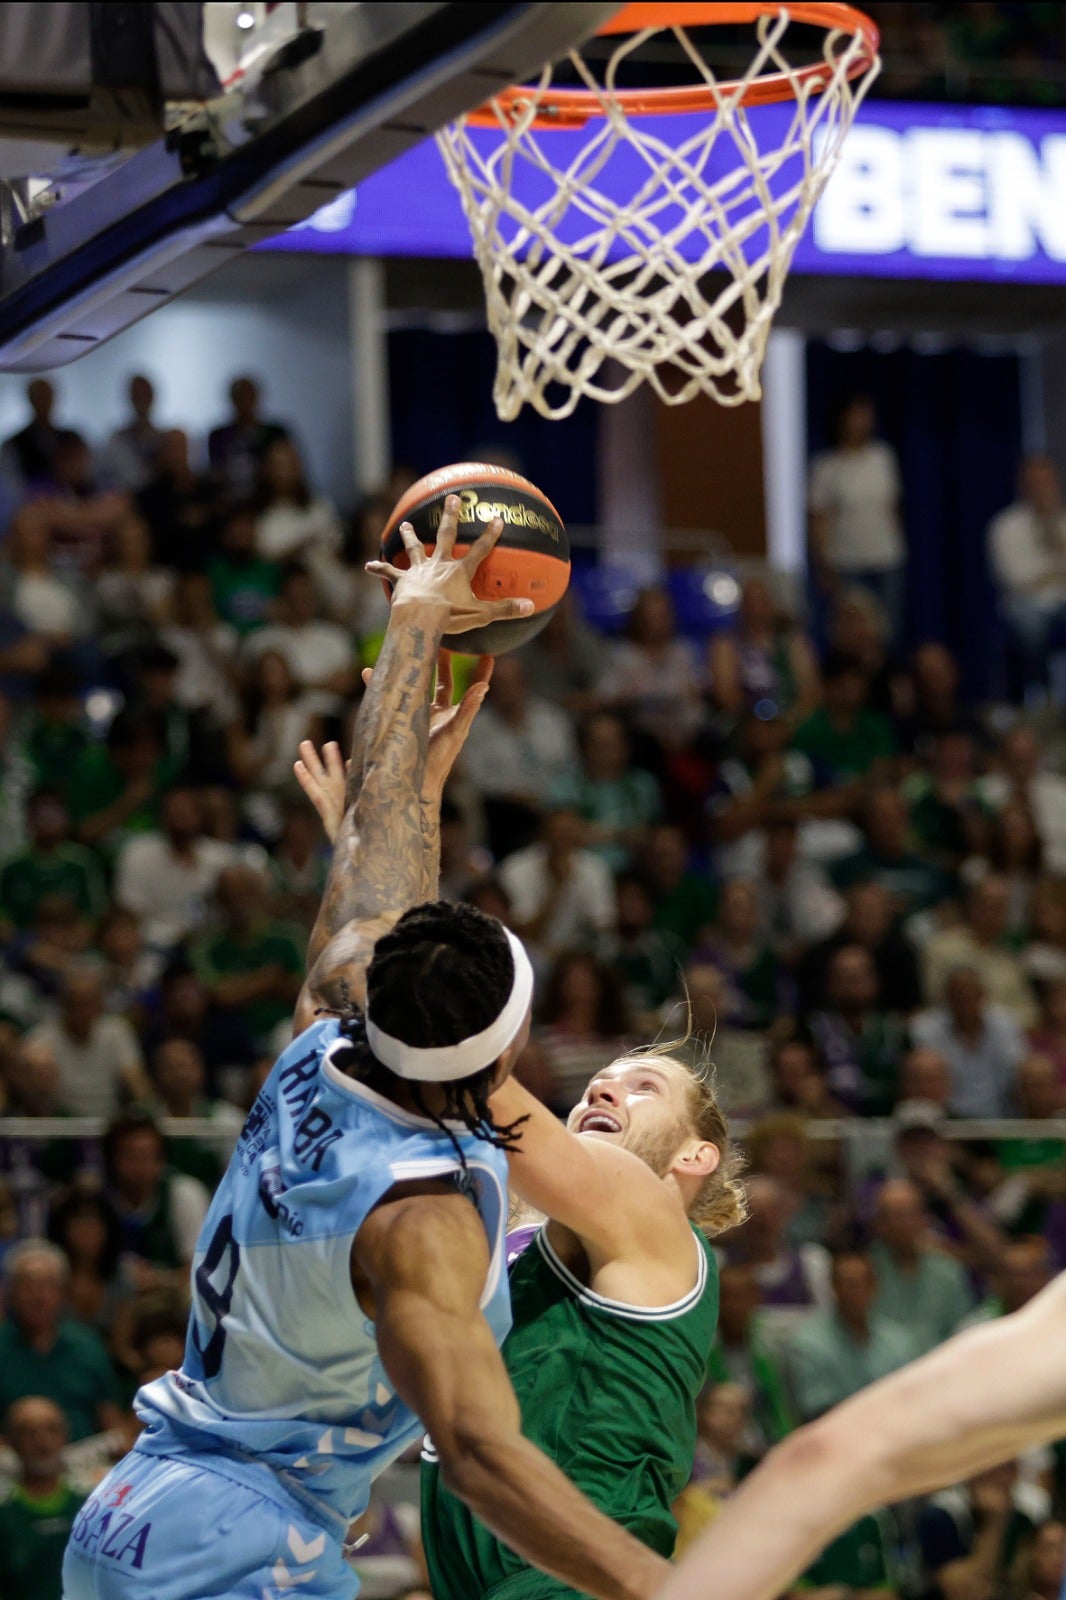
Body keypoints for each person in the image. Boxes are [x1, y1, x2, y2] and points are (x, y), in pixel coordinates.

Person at [64, 497, 669, 1600]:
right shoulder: (422, 1221)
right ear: (505, 1046)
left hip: (138, 1508)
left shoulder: (322, 1040)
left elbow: (375, 886)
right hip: (242, 1542)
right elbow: (481, 1459)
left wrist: (415, 638)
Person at [0, 1243, 123, 1444]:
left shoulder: (87, 1344)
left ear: (63, 1293)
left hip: (81, 1460)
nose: (38, 1296)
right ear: (11, 1293)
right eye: (28, 1285)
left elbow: (111, 1420)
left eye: (48, 1285)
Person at [807, 394, 906, 641]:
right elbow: (819, 520)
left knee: (888, 631)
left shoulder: (882, 457)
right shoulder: (827, 466)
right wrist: (824, 565)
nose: (864, 421)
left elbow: (892, 507)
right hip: (846, 562)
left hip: (887, 559)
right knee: (850, 634)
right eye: (857, 414)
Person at [783, 1246, 917, 1422]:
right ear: (833, 1288)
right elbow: (815, 1410)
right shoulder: (807, 1343)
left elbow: (911, 1399)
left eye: (860, 1284)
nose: (853, 1292)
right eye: (846, 1284)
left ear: (874, 1286)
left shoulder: (898, 1341)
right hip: (833, 1437)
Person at [988, 455, 1066, 695]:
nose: (1042, 490)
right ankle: (1039, 695)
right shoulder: (1005, 526)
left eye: (1047, 482)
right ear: (1022, 486)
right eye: (1035, 483)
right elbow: (1016, 579)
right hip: (1026, 606)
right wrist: (1054, 572)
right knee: (1030, 627)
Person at [0, 1396, 86, 1600]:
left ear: (66, 1435)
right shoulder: (4, 1512)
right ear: (10, 1441)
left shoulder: (93, 1502)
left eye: (52, 1430)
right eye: (29, 1433)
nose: (43, 1442)